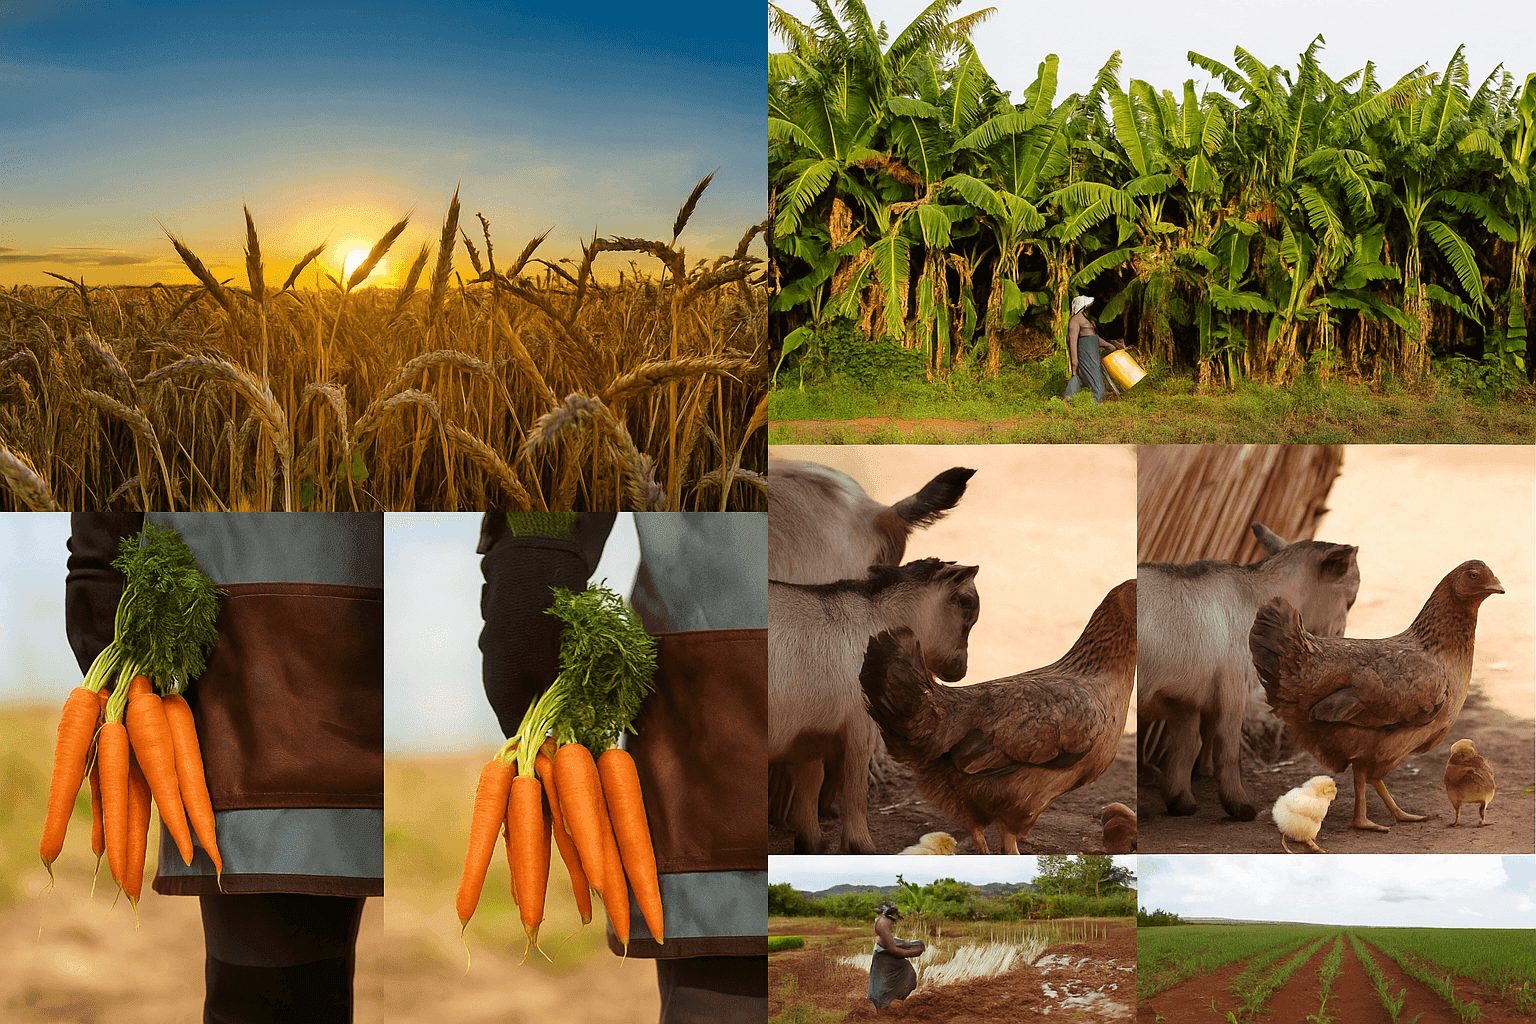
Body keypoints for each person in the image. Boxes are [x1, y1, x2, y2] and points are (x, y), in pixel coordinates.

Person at [66, 513, 384, 1024]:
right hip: (243, 630)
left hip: (323, 590)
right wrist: (99, 554)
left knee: (284, 988)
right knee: (280, 987)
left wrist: (536, 546)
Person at [478, 511, 767, 1024]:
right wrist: (536, 543)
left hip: (725, 647)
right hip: (710, 651)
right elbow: (585, 437)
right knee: (729, 966)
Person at [1064, 295, 1125, 404]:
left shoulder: (1083, 319)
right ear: (1081, 306)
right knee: (1094, 380)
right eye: (1085, 306)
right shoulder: (1075, 321)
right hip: (1086, 353)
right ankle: (1094, 403)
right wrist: (1074, 363)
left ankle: (1071, 399)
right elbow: (1073, 342)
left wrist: (1109, 345)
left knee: (1089, 376)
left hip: (1092, 352)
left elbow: (1093, 337)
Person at [867, 901, 924, 1011]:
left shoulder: (884, 920)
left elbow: (893, 943)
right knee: (882, 984)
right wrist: (915, 952)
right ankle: (881, 1006)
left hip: (886, 952)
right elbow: (893, 949)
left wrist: (913, 946)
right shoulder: (882, 923)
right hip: (884, 955)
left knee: (906, 973)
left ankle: (892, 1001)